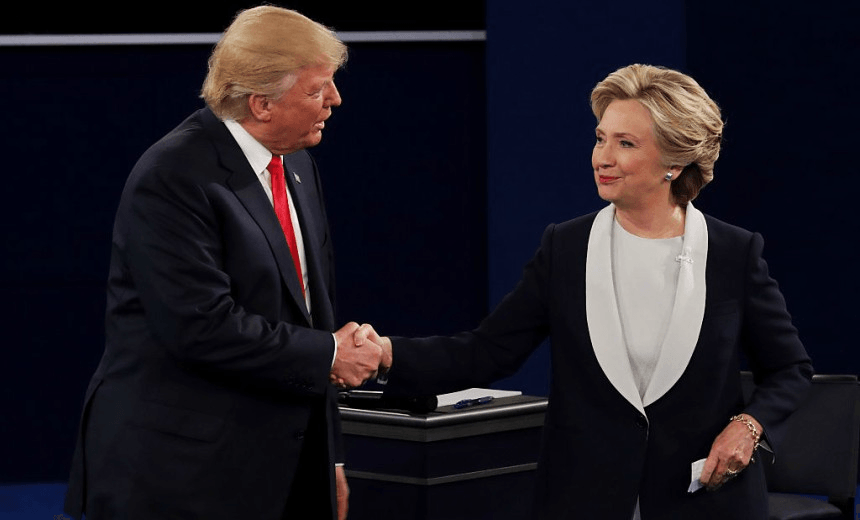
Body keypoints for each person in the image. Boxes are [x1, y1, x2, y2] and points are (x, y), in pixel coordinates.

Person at [351, 64, 813, 519]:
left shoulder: (733, 252)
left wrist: (748, 428)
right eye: (600, 138)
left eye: (625, 143)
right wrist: (388, 355)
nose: (602, 157)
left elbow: (790, 368)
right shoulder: (566, 247)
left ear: (674, 162)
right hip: (585, 498)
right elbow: (488, 351)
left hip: (705, 502)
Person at [64, 6, 382, 520]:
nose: (334, 100)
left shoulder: (296, 163)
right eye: (316, 89)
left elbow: (310, 314)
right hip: (182, 472)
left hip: (282, 459)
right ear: (261, 104)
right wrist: (329, 353)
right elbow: (199, 326)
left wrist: (333, 455)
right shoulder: (172, 177)